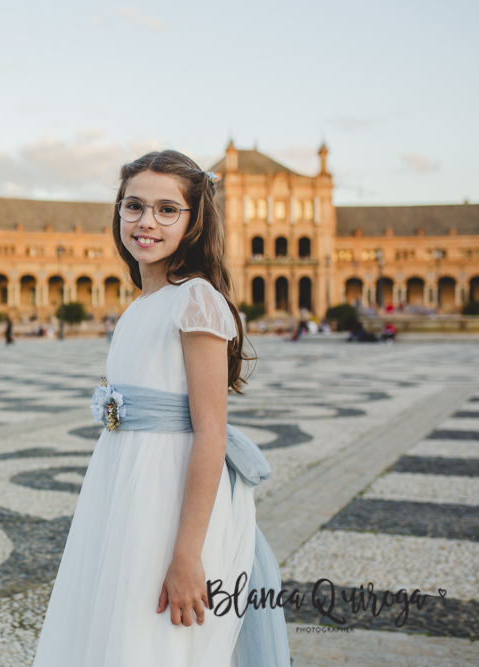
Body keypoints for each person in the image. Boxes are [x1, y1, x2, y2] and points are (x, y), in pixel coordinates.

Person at [33, 151, 288, 667]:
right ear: (119, 214)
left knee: (154, 640)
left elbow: (211, 434)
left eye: (167, 210)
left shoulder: (196, 299)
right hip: (122, 485)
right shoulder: (138, 306)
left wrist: (187, 555)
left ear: (194, 222)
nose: (146, 221)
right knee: (115, 627)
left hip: (166, 497)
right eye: (134, 206)